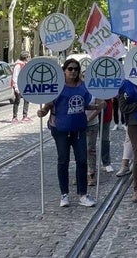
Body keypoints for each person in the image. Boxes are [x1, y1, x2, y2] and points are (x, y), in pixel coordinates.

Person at [36, 58, 96, 208]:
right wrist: (42, 111)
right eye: (70, 69)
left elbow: (84, 105)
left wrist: (96, 106)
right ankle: (64, 194)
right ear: (64, 70)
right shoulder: (57, 87)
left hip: (79, 128)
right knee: (63, 160)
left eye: (76, 69)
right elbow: (49, 105)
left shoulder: (83, 87)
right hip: (61, 129)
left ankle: (82, 193)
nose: (73, 71)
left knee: (82, 160)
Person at [11, 51, 31, 123]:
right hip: (18, 85)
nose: (30, 58)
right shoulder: (18, 65)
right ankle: (14, 117)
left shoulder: (25, 64)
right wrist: (16, 87)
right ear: (25, 57)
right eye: (29, 56)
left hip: (25, 84)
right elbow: (15, 76)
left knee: (27, 99)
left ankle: (25, 116)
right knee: (17, 100)